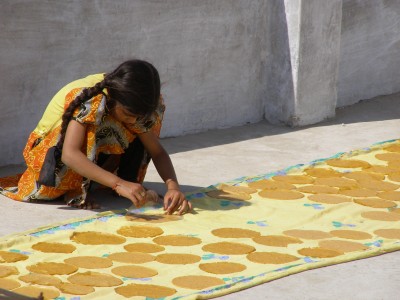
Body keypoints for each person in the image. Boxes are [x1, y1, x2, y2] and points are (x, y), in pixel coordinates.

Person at [0, 59, 192, 215]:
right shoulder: (91, 99)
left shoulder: (132, 106)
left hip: (83, 151)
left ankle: (91, 182)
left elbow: (157, 152)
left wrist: (173, 187)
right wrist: (118, 184)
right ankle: (74, 189)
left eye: (137, 116)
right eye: (127, 113)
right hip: (49, 157)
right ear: (115, 99)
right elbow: (69, 154)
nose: (133, 119)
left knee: (141, 127)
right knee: (104, 126)